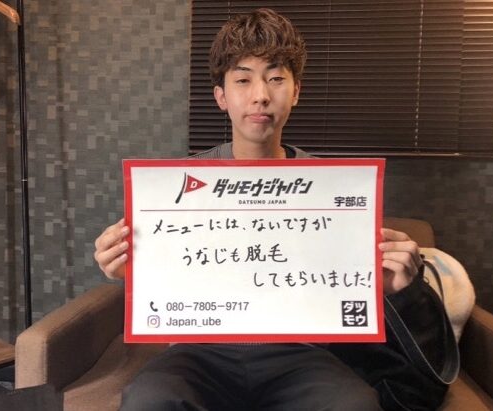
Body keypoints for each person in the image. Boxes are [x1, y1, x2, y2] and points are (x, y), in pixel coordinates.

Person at [94, 8, 454, 410]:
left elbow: (355, 284)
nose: (261, 95)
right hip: (198, 351)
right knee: (149, 401)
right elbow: (163, 283)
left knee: (354, 405)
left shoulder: (335, 188)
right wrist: (128, 269)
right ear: (221, 96)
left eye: (276, 78)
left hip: (300, 354)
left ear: (296, 91)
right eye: (243, 79)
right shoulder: (175, 188)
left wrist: (400, 286)